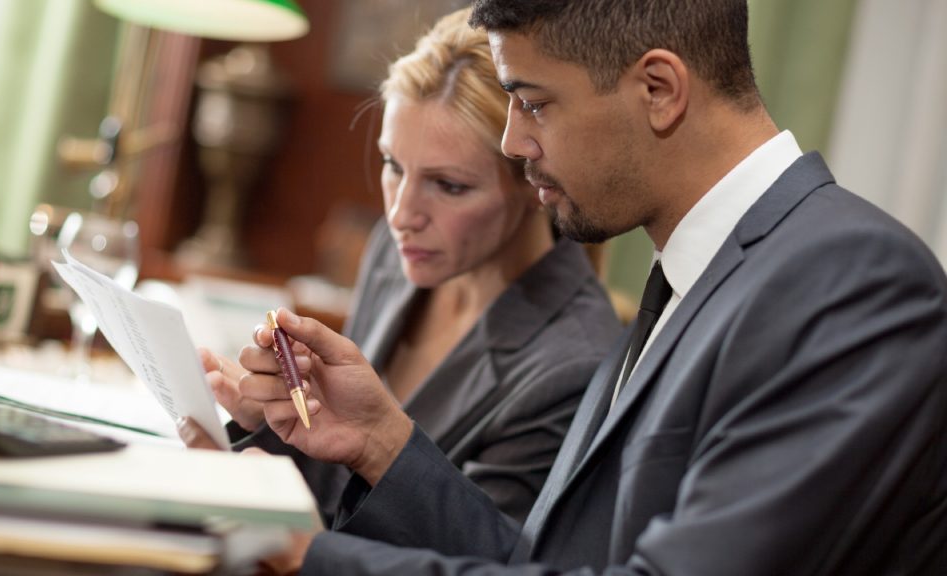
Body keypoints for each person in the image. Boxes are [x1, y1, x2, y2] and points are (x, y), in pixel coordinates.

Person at [212, 0, 947, 574]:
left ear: (659, 89)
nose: (512, 141)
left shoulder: (852, 279)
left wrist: (313, 557)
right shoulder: (697, 275)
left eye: (531, 101)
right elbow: (547, 562)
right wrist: (379, 441)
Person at [191, 7, 621, 525]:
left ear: (535, 181)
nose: (401, 215)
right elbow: (341, 485)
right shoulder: (396, 255)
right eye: (394, 166)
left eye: (449, 185)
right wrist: (267, 428)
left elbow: (481, 556)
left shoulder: (573, 365)